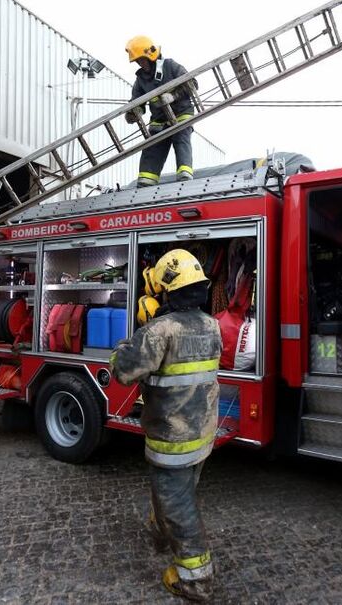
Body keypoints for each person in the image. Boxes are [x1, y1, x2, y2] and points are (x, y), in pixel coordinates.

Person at [110, 249, 221, 602]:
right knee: (177, 493)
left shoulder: (159, 331)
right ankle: (160, 532)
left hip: (171, 437)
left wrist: (137, 335)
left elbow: (123, 372)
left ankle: (196, 579)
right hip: (202, 432)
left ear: (166, 291)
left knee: (178, 508)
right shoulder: (212, 325)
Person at [124, 36, 196, 187]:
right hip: (159, 120)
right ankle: (146, 181)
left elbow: (192, 83)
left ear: (151, 55)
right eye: (138, 61)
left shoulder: (170, 66)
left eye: (142, 60)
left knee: (181, 138)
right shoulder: (141, 79)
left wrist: (174, 95)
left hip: (181, 113)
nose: (141, 64)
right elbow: (137, 102)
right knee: (152, 148)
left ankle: (184, 175)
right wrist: (133, 113)